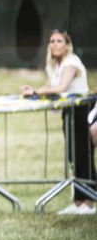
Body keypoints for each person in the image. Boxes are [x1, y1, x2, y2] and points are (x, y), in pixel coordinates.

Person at [21, 29, 96, 215]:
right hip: (68, 112)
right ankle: (78, 202)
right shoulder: (55, 65)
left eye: (59, 41)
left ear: (67, 45)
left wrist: (37, 92)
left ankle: (90, 203)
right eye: (52, 41)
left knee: (83, 155)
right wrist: (33, 90)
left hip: (82, 111)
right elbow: (49, 86)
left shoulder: (71, 62)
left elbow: (61, 88)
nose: (55, 44)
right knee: (73, 156)